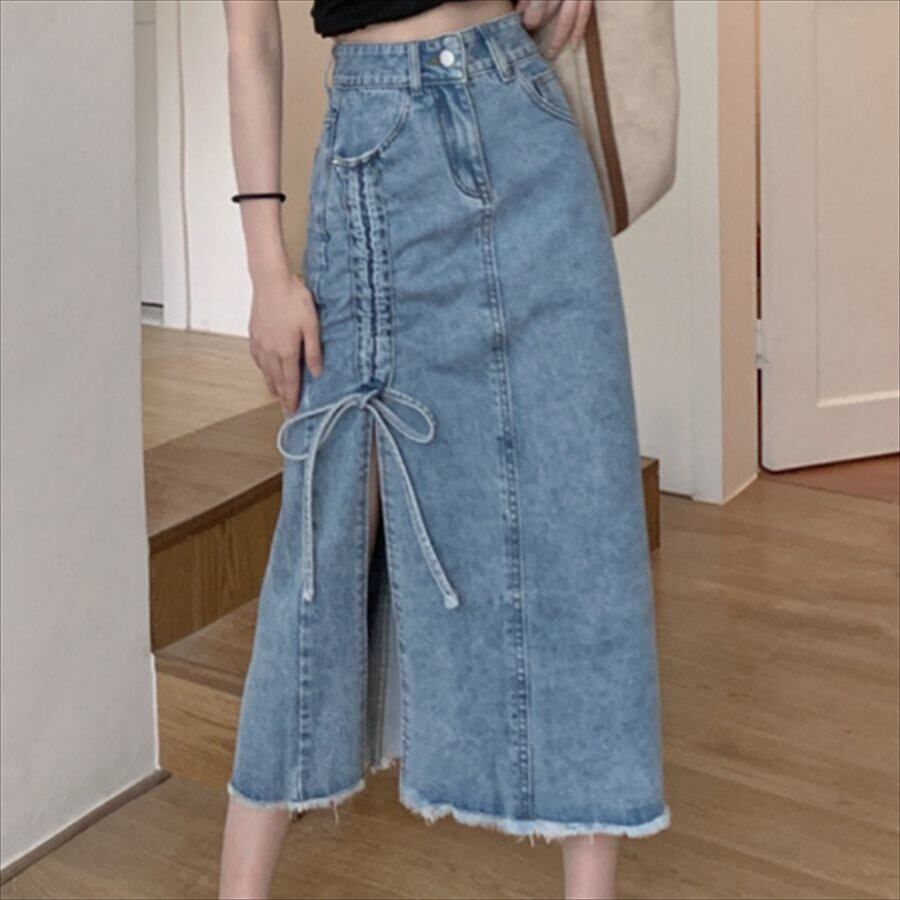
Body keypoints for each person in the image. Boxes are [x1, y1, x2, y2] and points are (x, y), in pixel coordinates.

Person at [218, 2, 669, 898]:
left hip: (523, 121)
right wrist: (267, 268)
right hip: (374, 161)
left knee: (584, 530)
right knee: (322, 546)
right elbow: (249, 37)